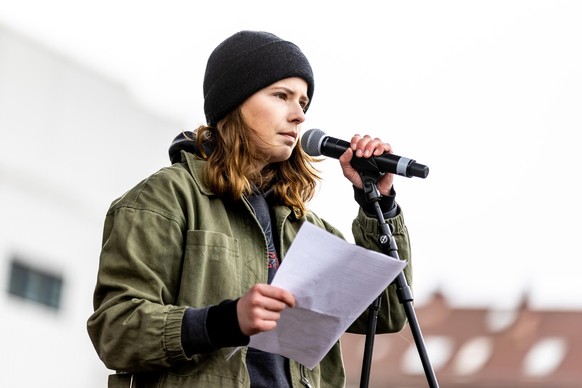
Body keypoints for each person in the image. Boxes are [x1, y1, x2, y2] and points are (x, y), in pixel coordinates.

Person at [87, 30, 412, 388]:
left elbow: (388, 313)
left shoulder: (308, 229)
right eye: (281, 96)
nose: (298, 115)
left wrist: (376, 202)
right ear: (234, 102)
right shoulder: (165, 198)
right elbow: (115, 330)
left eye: (303, 103)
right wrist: (225, 322)